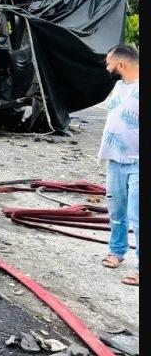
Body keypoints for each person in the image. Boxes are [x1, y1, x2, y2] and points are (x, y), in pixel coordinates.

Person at [98, 44, 139, 286]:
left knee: (137, 214)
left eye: (109, 62)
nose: (107, 67)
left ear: (121, 64)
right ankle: (116, 251)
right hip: (115, 158)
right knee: (116, 211)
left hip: (138, 161)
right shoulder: (119, 86)